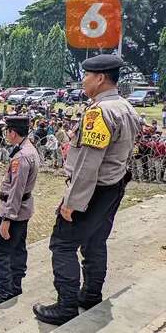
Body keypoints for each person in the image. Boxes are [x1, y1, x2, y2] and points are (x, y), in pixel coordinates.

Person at [33, 54, 142, 325]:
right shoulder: (126, 107)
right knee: (95, 241)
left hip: (92, 191)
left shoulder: (99, 112)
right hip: (113, 186)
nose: (83, 81)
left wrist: (71, 202)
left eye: (86, 76)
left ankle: (66, 306)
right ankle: (91, 294)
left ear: (100, 78)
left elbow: (87, 164)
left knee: (62, 244)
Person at [0, 116, 40, 308]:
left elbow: (16, 189)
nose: (6, 135)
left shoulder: (21, 157)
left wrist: (7, 218)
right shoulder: (29, 150)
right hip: (22, 210)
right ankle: (15, 284)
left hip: (13, 210)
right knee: (17, 247)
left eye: (7, 131)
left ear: (13, 132)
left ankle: (5, 288)